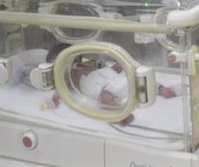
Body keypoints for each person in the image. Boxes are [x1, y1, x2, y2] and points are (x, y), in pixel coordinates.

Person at [45, 44, 179, 124]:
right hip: (104, 89)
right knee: (106, 97)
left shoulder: (84, 66)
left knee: (133, 74)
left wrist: (95, 65)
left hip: (113, 77)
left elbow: (102, 68)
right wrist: (54, 100)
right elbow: (61, 90)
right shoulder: (68, 79)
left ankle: (162, 89)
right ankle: (123, 115)